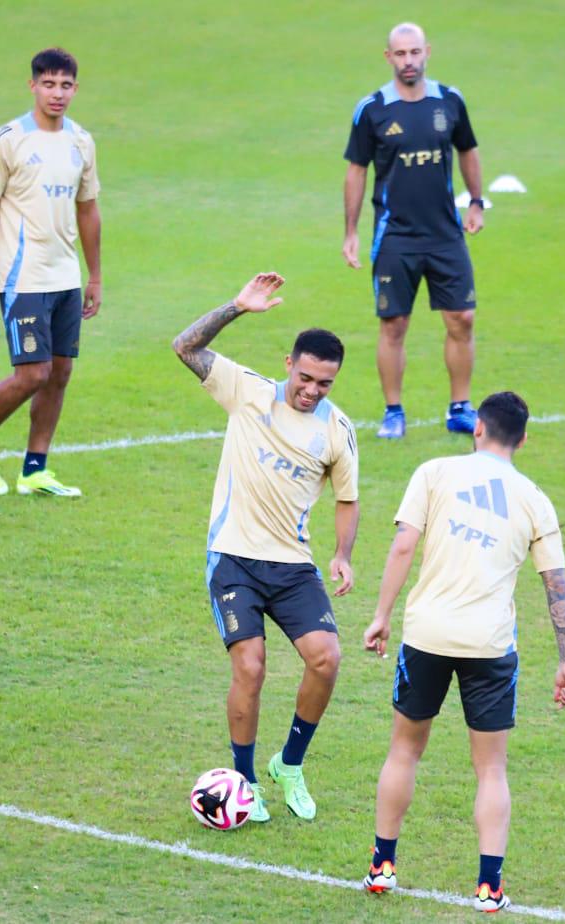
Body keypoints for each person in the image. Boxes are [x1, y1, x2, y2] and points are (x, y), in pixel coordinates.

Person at [360, 391, 565, 911]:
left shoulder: (434, 472)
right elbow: (556, 584)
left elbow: (403, 545)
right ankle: (488, 887)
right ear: (523, 439)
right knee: (491, 770)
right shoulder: (534, 499)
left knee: (404, 752)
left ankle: (382, 866)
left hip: (427, 636)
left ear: (476, 427)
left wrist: (381, 615)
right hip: (489, 645)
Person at [173, 273, 360, 822]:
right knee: (250, 668)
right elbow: (185, 346)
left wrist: (343, 553)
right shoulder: (247, 390)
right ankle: (245, 781)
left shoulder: (337, 431)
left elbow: (347, 499)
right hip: (233, 557)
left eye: (324, 383)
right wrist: (235, 306)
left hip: (292, 565)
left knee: (326, 658)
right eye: (305, 377)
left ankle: (290, 764)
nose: (312, 390)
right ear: (288, 364)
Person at [0, 47, 101, 497]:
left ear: (76, 88)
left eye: (66, 85)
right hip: (23, 279)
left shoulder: (81, 141)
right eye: (49, 84)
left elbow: (89, 211)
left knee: (59, 373)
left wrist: (93, 276)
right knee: (32, 374)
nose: (58, 93)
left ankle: (35, 469)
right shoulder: (9, 139)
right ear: (32, 85)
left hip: (65, 278)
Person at [342, 22, 485, 440]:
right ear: (388, 57)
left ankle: (460, 407)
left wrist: (476, 201)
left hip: (445, 234)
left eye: (415, 52)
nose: (409, 61)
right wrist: (350, 231)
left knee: (462, 317)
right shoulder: (372, 110)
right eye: (400, 54)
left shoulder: (450, 101)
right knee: (394, 325)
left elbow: (468, 150)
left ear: (427, 52)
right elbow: (356, 171)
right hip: (395, 237)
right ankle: (393, 412)